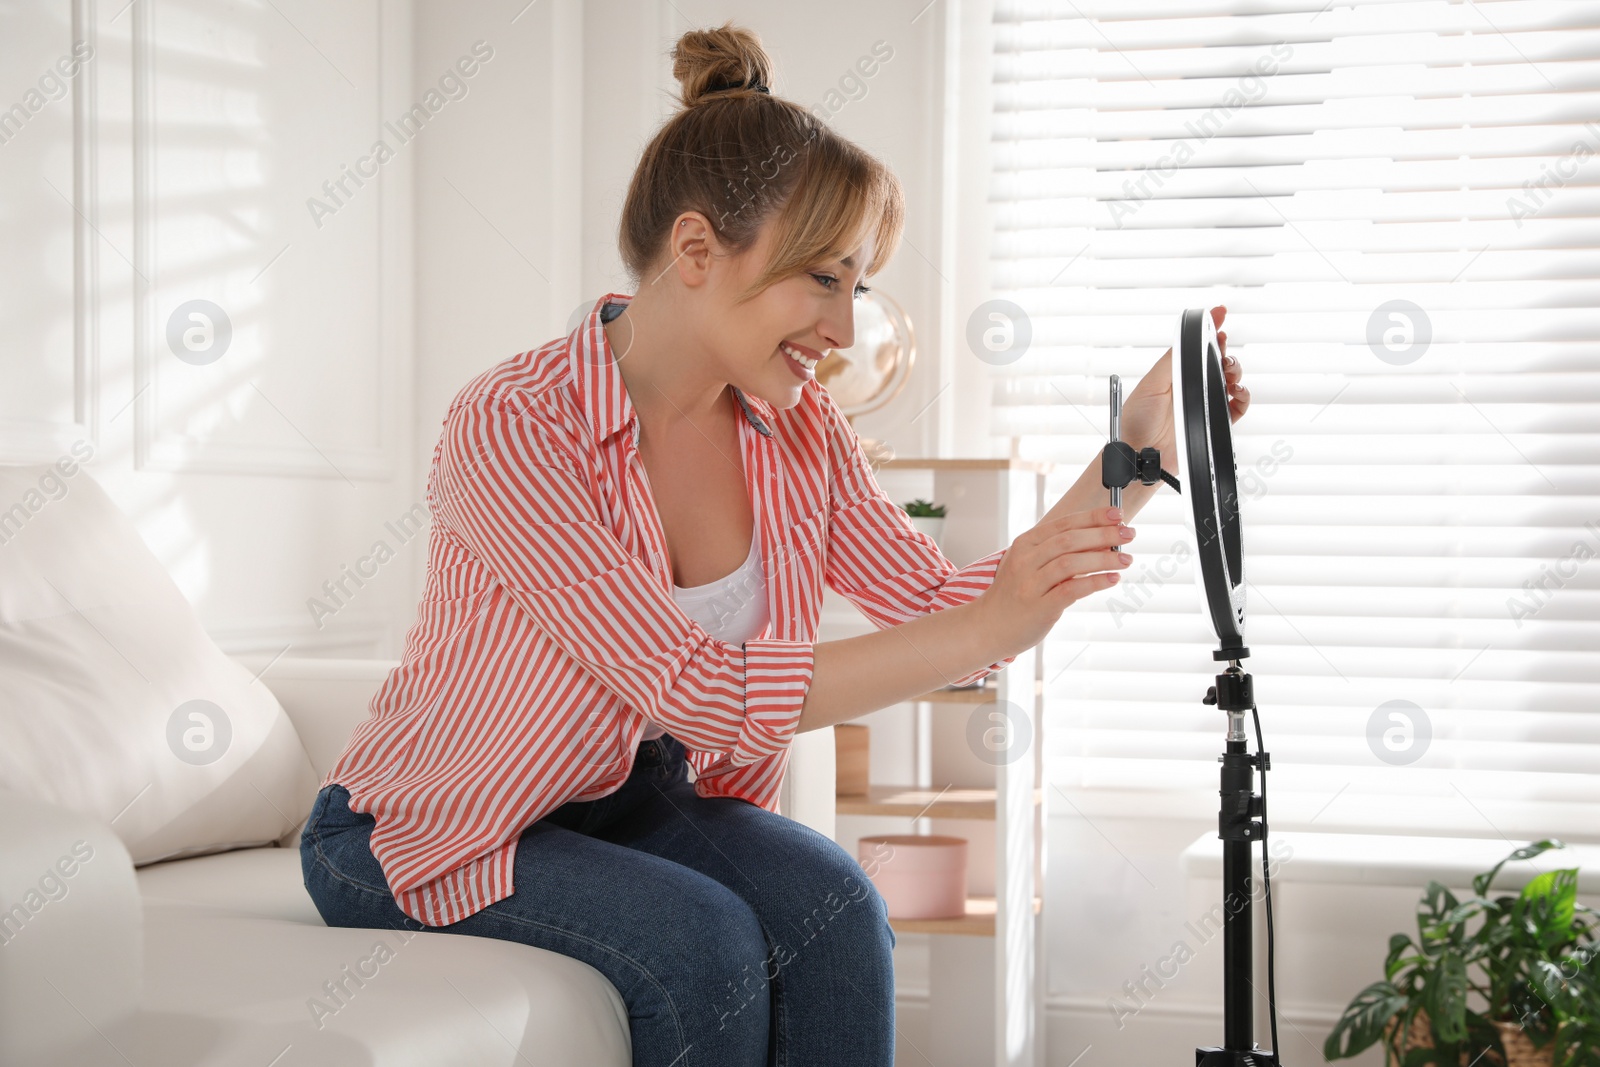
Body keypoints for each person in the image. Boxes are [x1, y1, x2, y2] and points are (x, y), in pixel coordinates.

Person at [299, 20, 1249, 1067]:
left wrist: (1131, 461)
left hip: (634, 800)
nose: (845, 330)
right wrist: (987, 617)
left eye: (858, 285)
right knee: (703, 941)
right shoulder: (515, 424)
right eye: (823, 280)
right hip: (433, 825)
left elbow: (950, 620)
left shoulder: (795, 426)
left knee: (839, 909)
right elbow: (692, 686)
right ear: (697, 251)